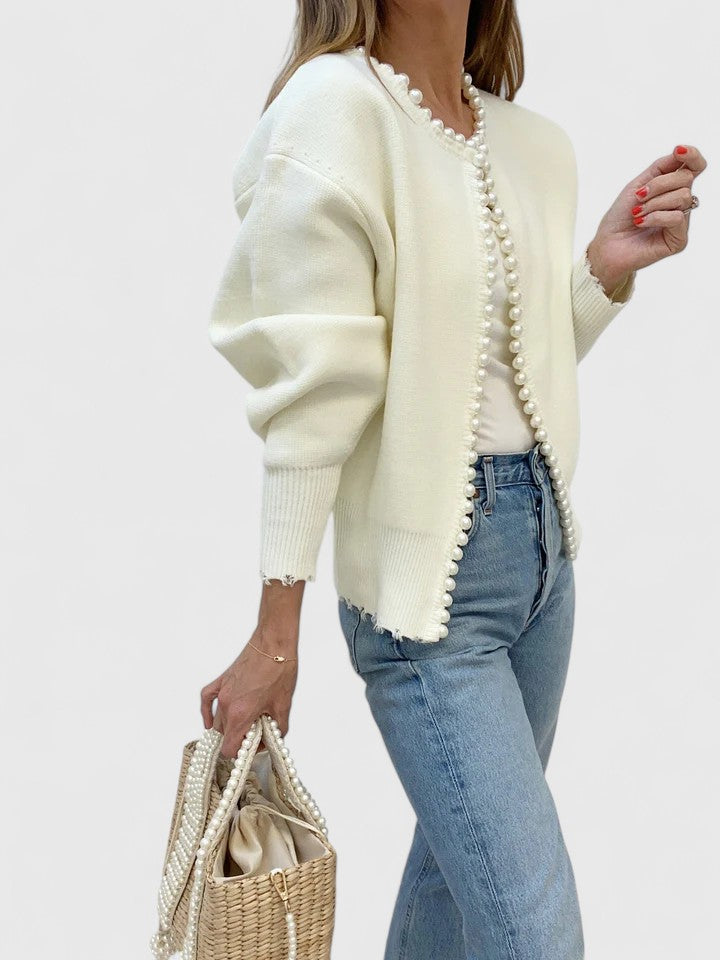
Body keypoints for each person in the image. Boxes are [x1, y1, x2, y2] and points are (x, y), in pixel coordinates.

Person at [199, 2, 706, 957]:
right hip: (429, 591)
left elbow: (496, 372)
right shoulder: (334, 111)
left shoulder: (533, 146)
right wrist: (275, 629)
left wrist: (600, 272)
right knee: (535, 935)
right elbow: (317, 390)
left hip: (545, 565)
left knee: (451, 893)